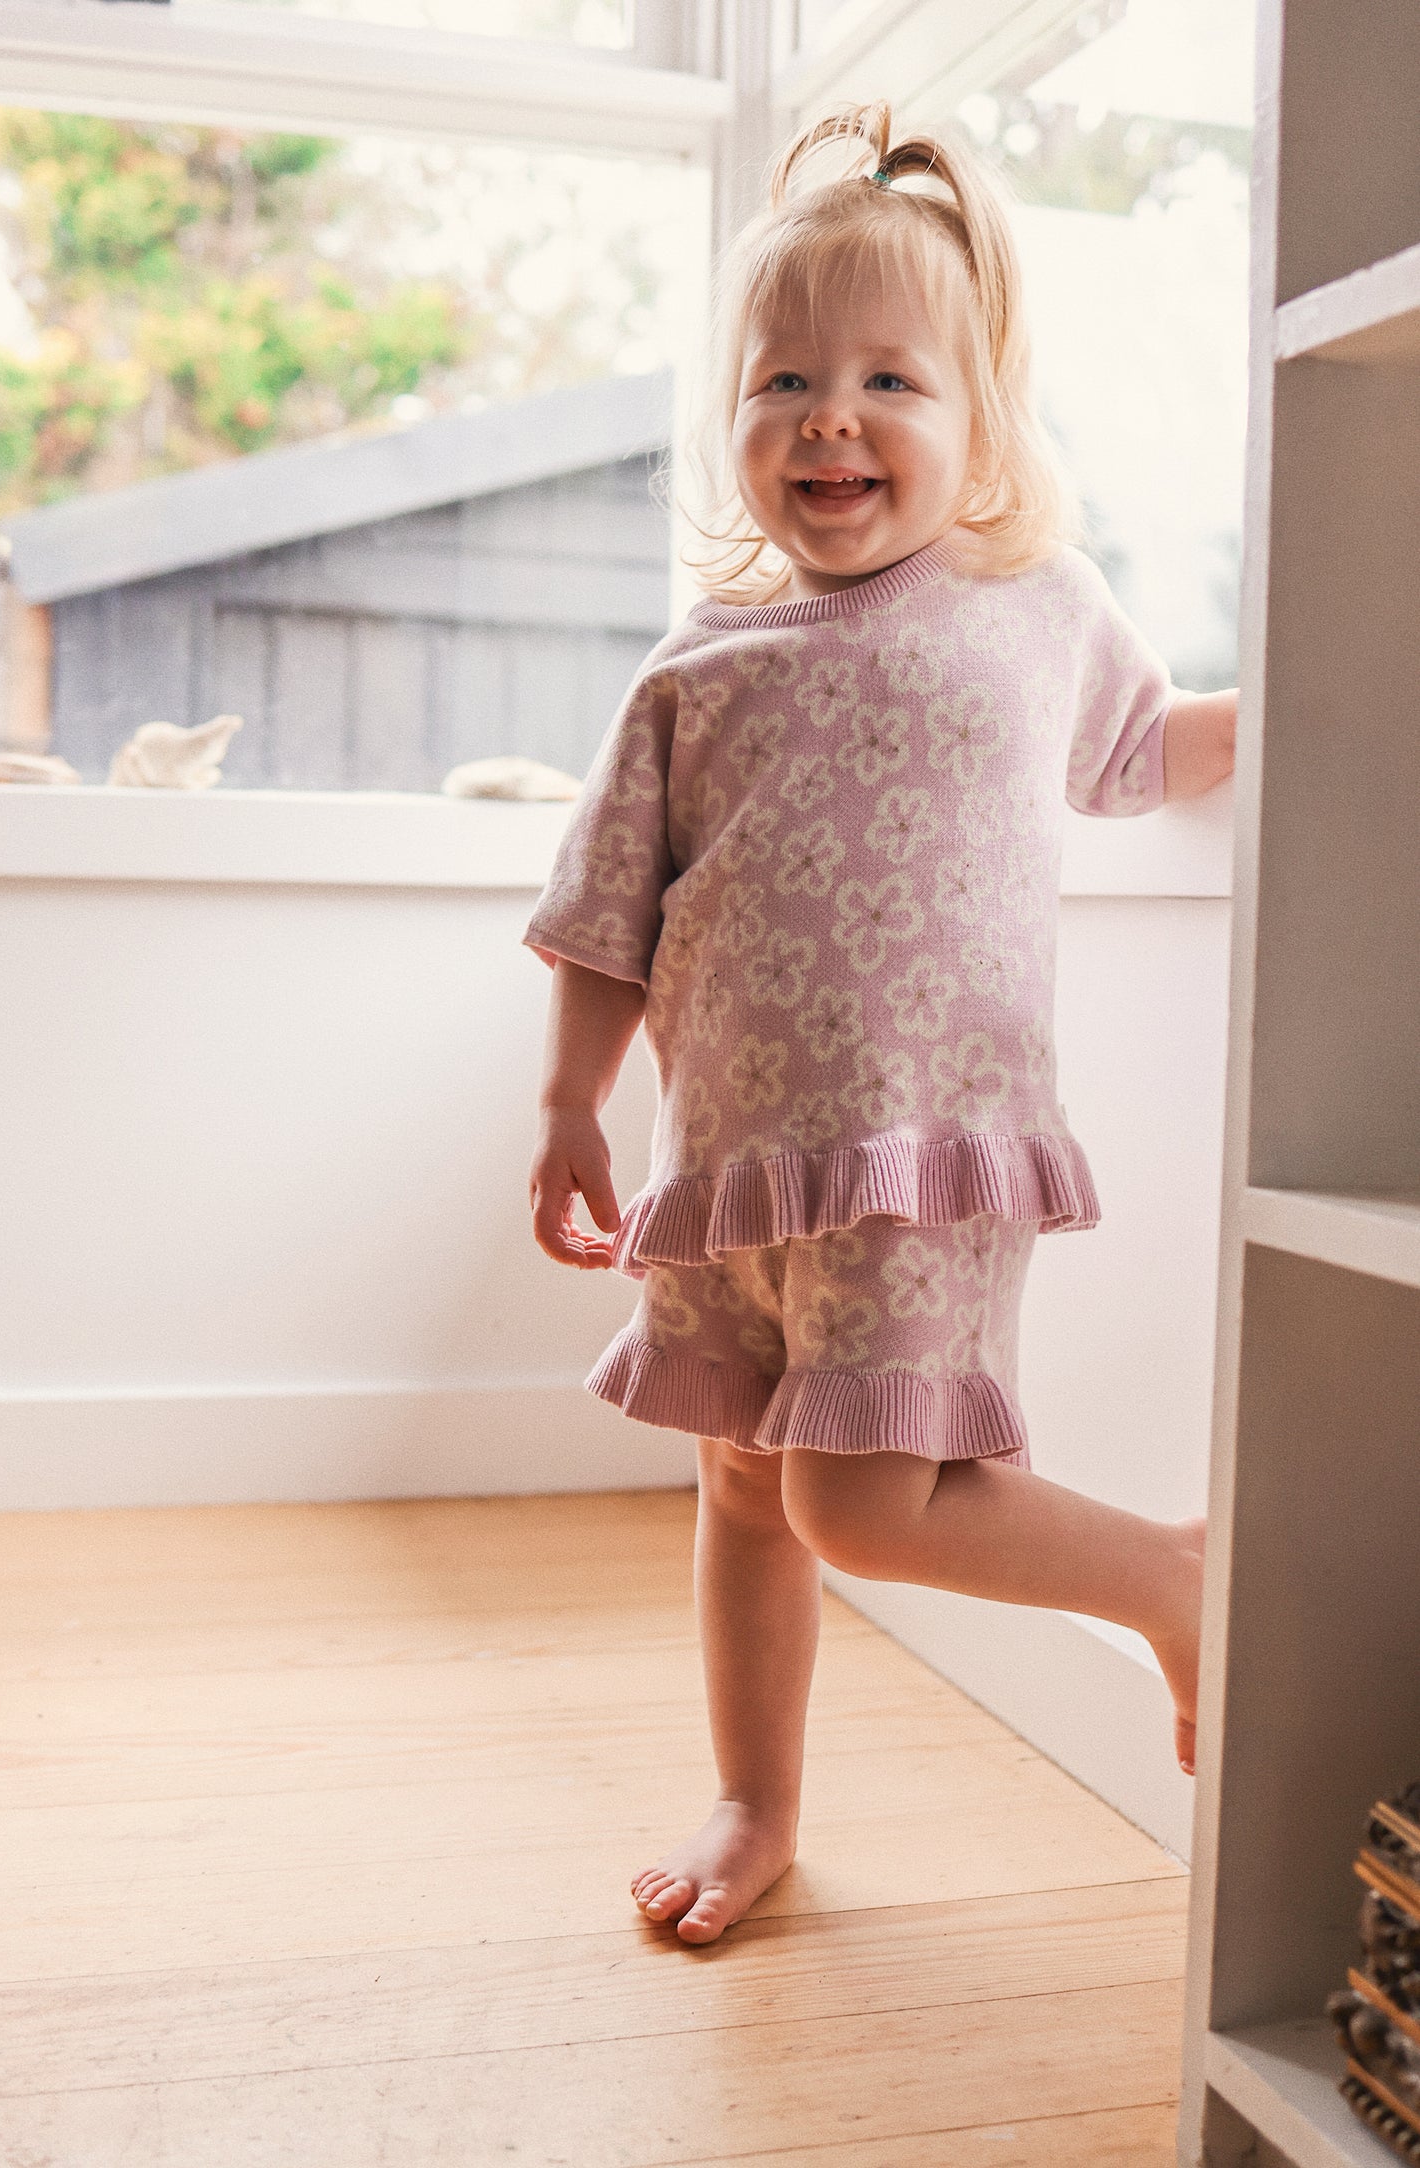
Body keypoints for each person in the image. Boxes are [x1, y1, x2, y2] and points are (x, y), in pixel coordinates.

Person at [523, 100, 1235, 1947]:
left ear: (975, 422)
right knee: (745, 1490)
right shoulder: (696, 666)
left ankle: (1172, 1576)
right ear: (733, 427)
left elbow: (1146, 755)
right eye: (780, 382)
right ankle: (755, 1797)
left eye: (888, 381)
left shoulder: (1032, 606)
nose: (827, 417)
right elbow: (606, 917)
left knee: (866, 1505)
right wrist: (570, 1109)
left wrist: (1323, 691)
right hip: (727, 1172)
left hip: (930, 1154)